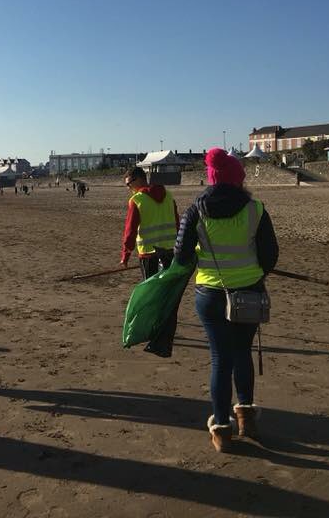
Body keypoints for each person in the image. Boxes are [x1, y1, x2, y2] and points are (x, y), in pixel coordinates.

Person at [172, 148, 278, 453]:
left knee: (220, 358)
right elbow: (270, 256)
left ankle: (221, 427)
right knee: (242, 353)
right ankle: (246, 416)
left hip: (210, 294)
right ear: (237, 180)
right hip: (249, 292)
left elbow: (181, 255)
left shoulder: (196, 209)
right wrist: (253, 271)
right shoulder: (256, 209)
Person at [121, 167, 180, 356]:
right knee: (167, 293)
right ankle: (165, 330)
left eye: (129, 183)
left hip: (148, 254)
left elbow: (130, 232)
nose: (128, 187)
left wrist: (125, 255)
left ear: (138, 179)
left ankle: (157, 333)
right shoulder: (168, 195)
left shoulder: (137, 200)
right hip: (169, 252)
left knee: (152, 294)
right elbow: (178, 224)